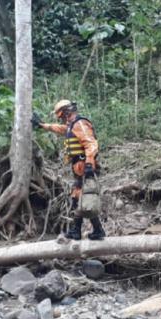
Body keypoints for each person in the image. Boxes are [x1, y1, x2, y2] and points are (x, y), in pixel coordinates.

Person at [31, 100, 105, 240]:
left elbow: (91, 144)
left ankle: (77, 230)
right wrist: (42, 125)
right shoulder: (71, 126)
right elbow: (59, 129)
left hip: (85, 166)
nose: (62, 119)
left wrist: (89, 164)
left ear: (66, 112)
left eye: (62, 116)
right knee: (80, 197)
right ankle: (95, 230)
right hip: (79, 167)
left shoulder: (80, 124)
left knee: (79, 198)